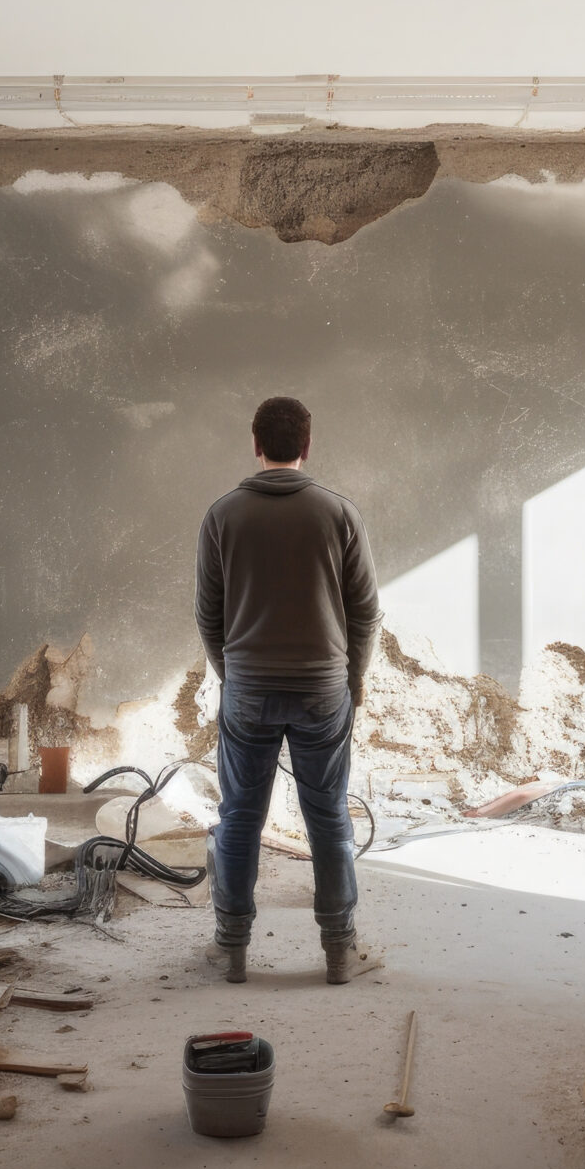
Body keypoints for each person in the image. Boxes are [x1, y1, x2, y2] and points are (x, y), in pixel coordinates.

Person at [193, 396, 382, 984]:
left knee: (240, 815)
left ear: (256, 443)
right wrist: (352, 680)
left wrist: (234, 677)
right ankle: (338, 951)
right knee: (327, 817)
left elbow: (208, 616)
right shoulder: (339, 514)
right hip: (322, 691)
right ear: (307, 445)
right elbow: (367, 614)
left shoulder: (222, 515)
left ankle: (231, 947)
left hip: (248, 689)